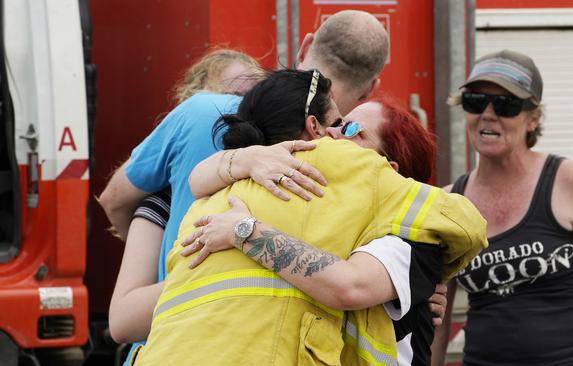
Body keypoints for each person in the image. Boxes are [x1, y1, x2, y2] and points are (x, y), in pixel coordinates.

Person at [131, 69, 487, 365]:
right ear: (313, 126)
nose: (337, 136)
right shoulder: (326, 184)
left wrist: (246, 226)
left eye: (351, 131)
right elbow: (463, 222)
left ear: (390, 167)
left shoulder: (215, 197)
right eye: (339, 124)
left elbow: (351, 284)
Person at [100, 9, 389, 356]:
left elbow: (114, 198)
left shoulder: (201, 113)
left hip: (170, 346)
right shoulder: (365, 158)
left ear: (306, 45)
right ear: (372, 88)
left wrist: (180, 255)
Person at [430, 49, 573, 366]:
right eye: (476, 101)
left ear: (533, 118)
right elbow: (437, 318)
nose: (489, 114)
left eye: (506, 105)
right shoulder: (448, 203)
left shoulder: (569, 181)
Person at [107, 49, 265, 346]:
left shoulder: (277, 184)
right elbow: (123, 322)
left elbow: (112, 199)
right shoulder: (160, 204)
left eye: (249, 98)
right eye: (229, 97)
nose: (236, 111)